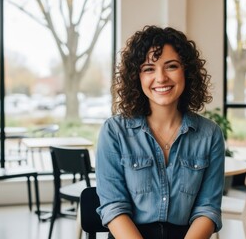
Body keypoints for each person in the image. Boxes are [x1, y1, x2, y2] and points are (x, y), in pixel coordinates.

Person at [95, 25, 225, 239]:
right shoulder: (114, 131)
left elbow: (207, 209)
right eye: (149, 69)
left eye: (171, 66)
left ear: (187, 71)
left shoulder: (210, 134)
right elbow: (114, 207)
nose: (161, 78)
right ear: (137, 77)